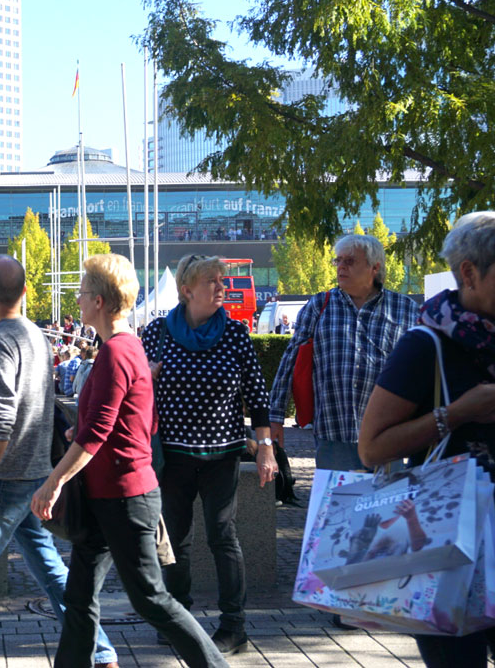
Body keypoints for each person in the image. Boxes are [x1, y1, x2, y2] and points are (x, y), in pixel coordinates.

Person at [30, 254, 227, 668]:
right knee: (79, 597)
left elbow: (98, 433)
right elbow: (129, 422)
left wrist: (53, 482)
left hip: (125, 499)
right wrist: (79, 431)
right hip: (107, 498)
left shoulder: (118, 352)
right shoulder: (126, 347)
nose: (78, 299)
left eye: (82, 292)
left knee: (151, 599)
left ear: (99, 301)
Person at [0, 254, 120, 668]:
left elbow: (1, 413)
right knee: (48, 567)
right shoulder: (36, 335)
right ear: (26, 291)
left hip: (9, 476)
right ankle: (101, 652)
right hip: (37, 471)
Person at [359, 212, 495, 668]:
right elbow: (372, 448)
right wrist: (457, 413)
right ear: (469, 273)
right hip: (447, 549)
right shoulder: (426, 345)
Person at [140, 254, 276, 654]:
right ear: (186, 290)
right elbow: (135, 391)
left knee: (223, 536)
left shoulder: (234, 333)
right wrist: (147, 376)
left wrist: (266, 449)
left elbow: (257, 395)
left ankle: (234, 626)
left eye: (222, 280)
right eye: (212, 281)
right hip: (172, 458)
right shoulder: (158, 333)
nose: (222, 287)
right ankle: (178, 620)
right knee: (176, 542)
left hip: (222, 454)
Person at [268, 235, 417, 472]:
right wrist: (275, 417)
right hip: (333, 433)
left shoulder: (405, 309)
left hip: (386, 435)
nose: (341, 267)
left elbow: (419, 369)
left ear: (374, 267)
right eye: (338, 260)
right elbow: (290, 360)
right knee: (335, 497)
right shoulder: (320, 305)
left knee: (387, 497)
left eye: (350, 261)